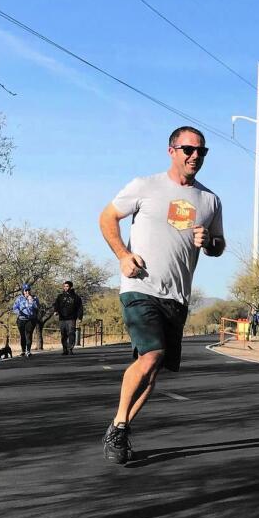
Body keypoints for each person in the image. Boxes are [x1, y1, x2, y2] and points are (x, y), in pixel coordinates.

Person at [98, 126, 225, 465]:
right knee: (152, 355)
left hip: (177, 297)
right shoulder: (145, 186)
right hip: (140, 287)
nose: (195, 156)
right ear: (172, 150)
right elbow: (107, 217)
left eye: (201, 151)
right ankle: (122, 425)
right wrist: (123, 255)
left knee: (152, 370)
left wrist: (209, 242)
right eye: (188, 149)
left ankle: (116, 426)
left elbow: (219, 245)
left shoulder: (210, 200)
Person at [53, 280, 84, 355]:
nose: (65, 288)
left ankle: (70, 349)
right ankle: (65, 349)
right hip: (62, 318)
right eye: (64, 286)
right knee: (63, 334)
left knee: (71, 333)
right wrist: (56, 311)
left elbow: (80, 308)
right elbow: (56, 304)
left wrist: (79, 317)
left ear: (70, 287)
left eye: (67, 286)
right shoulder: (60, 296)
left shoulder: (76, 297)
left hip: (71, 318)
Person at [12, 284, 40, 358]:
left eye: (28, 290)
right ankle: (23, 351)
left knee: (28, 334)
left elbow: (37, 307)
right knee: (22, 335)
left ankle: (28, 351)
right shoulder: (19, 299)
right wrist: (19, 312)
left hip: (30, 319)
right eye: (25, 290)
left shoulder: (34, 298)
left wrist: (31, 300)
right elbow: (14, 308)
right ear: (23, 291)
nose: (27, 292)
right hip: (21, 319)